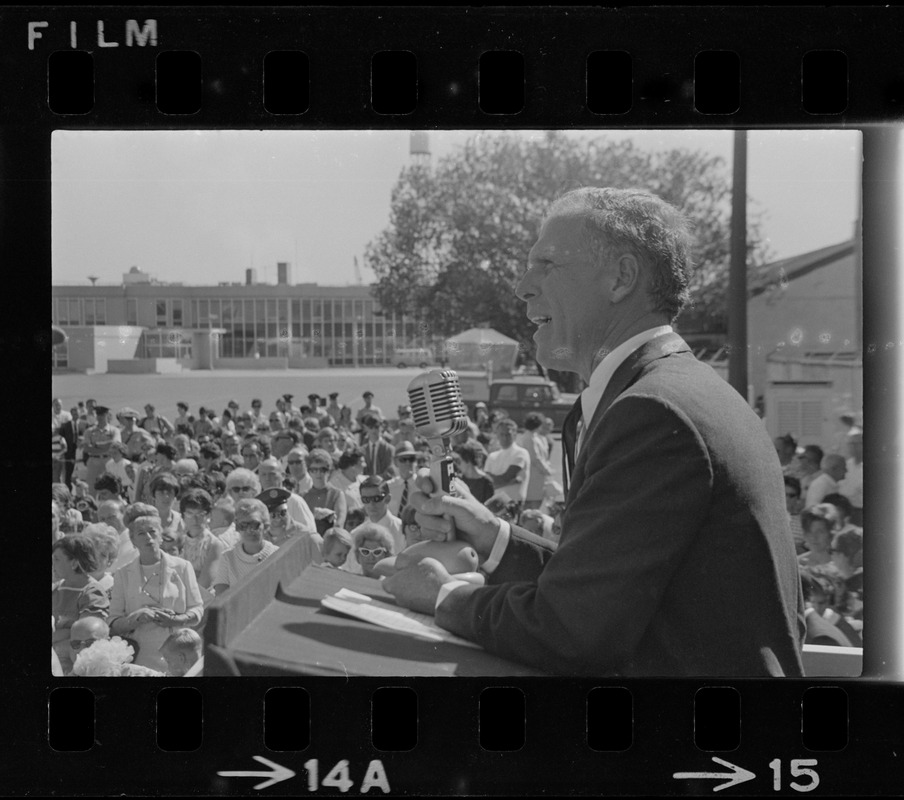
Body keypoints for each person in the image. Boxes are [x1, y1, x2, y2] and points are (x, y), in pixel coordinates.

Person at [384, 186, 805, 677]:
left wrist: (446, 595)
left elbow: (572, 629)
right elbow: (601, 590)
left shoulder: (653, 411)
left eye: (546, 264)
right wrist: (494, 536)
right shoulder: (674, 392)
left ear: (621, 278)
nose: (523, 285)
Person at [108, 514, 203, 671]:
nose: (148, 537)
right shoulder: (122, 574)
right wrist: (136, 618)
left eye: (152, 532)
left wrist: (176, 620)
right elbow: (113, 622)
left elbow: (197, 609)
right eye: (141, 533)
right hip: (140, 657)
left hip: (179, 653)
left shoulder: (183, 567)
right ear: (133, 541)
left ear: (161, 537)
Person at [52, 534, 110, 673]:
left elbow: (85, 636)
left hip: (76, 665)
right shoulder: (55, 588)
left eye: (57, 559)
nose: (53, 564)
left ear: (74, 563)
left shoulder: (92, 592)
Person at [211, 498, 280, 596]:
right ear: (237, 527)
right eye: (243, 525)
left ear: (265, 525)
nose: (249, 530)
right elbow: (221, 598)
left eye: (255, 524)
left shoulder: (277, 554)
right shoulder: (227, 558)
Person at [178, 488, 228, 599]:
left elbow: (205, 583)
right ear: (182, 516)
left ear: (208, 516)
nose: (195, 519)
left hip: (203, 602)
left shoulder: (214, 544)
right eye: (190, 514)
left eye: (201, 514)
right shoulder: (178, 540)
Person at [483, 418, 530, 507]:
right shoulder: (492, 456)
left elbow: (506, 478)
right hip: (494, 503)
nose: (504, 437)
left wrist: (494, 482)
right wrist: (511, 481)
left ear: (515, 434)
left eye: (508, 434)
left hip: (513, 503)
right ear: (497, 435)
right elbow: (486, 481)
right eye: (502, 434)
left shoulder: (521, 453)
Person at [356, 476, 403, 554]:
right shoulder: (355, 534)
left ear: (388, 499)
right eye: (366, 499)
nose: (371, 504)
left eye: (376, 498)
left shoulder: (402, 531)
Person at [515, 412, 552, 510]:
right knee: (532, 505)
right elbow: (535, 458)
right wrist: (546, 470)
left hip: (537, 476)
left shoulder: (534, 437)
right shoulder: (529, 438)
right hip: (534, 475)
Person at [303, 448, 348, 528]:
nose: (318, 473)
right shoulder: (303, 496)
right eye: (314, 470)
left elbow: (339, 524)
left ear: (329, 471)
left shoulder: (337, 494)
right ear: (309, 472)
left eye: (323, 469)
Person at [83, 406, 121, 497]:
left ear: (107, 415)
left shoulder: (114, 430)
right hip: (93, 461)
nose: (100, 417)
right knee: (91, 487)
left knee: (111, 485)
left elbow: (115, 445)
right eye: (98, 414)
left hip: (109, 461)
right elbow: (87, 448)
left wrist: (95, 445)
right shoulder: (89, 431)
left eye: (102, 415)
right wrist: (106, 446)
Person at [386, 441, 418, 517]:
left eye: (411, 459)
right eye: (403, 459)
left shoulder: (422, 485)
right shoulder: (388, 486)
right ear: (395, 462)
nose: (408, 463)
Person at [361, 414, 396, 479]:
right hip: (367, 486)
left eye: (376, 426)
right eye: (371, 427)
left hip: (384, 485)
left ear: (381, 427)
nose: (374, 430)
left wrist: (374, 480)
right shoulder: (362, 450)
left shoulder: (390, 449)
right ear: (366, 428)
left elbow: (390, 472)